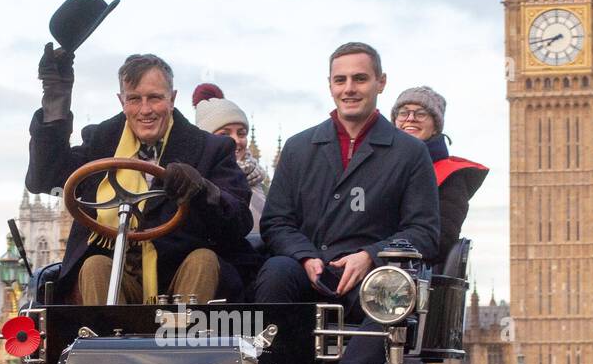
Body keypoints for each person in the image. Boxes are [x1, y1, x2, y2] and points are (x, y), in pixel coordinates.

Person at [25, 47, 254, 305]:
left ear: (172, 99)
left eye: (155, 98)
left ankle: (184, 343)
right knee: (94, 266)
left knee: (203, 259)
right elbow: (44, 179)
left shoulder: (209, 148)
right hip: (116, 279)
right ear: (121, 101)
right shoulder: (102, 141)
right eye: (134, 99)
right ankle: (108, 342)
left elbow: (239, 221)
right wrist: (55, 98)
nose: (145, 110)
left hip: (180, 280)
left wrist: (202, 190)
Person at [254, 41, 439, 317]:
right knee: (276, 273)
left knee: (388, 299)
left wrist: (370, 256)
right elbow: (276, 222)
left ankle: (355, 363)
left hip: (373, 282)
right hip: (308, 273)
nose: (349, 88)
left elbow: (423, 232)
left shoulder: (410, 152)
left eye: (360, 79)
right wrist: (305, 257)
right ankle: (272, 360)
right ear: (330, 85)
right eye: (340, 80)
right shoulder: (298, 147)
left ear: (381, 82)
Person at [389, 86, 488, 272]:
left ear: (435, 126)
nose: (410, 118)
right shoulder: (376, 166)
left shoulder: (450, 175)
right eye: (403, 113)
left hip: (413, 273)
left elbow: (440, 239)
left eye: (420, 113)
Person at [192, 83, 268, 232]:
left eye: (241, 133)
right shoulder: (193, 180)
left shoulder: (257, 180)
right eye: (224, 134)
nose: (235, 141)